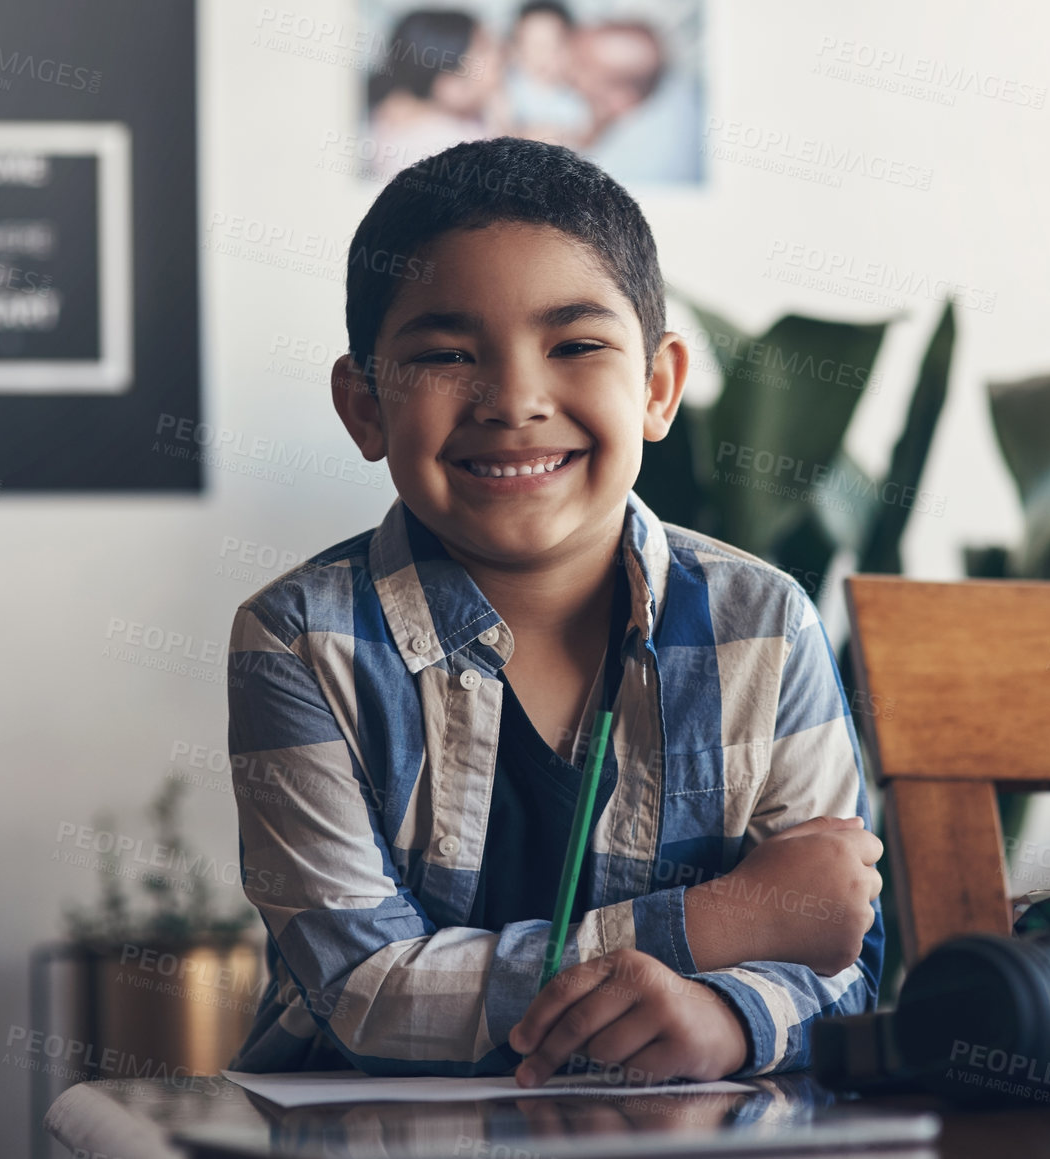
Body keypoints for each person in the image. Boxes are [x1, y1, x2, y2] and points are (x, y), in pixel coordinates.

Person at [225, 137, 884, 1082]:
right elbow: (362, 988)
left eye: (574, 346)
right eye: (448, 353)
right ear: (364, 407)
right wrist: (720, 923)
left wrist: (728, 1021)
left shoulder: (765, 624)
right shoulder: (299, 640)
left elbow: (840, 953)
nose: (516, 400)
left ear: (657, 387)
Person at [366, 10, 505, 182]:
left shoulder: (470, 119)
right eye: (484, 48)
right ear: (449, 84)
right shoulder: (442, 146)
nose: (499, 56)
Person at [569, 21, 701, 185]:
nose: (570, 73)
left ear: (620, 100)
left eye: (580, 68)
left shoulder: (624, 171)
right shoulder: (666, 87)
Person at [501, 1, 591, 145]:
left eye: (553, 45)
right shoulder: (504, 90)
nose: (542, 56)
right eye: (533, 46)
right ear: (515, 48)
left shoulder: (577, 98)